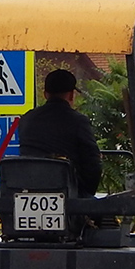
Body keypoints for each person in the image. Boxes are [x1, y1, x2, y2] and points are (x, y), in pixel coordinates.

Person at [18, 69, 102, 197]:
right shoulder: (78, 121)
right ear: (71, 95)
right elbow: (92, 163)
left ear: (45, 94)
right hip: (66, 193)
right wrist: (85, 194)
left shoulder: (26, 119)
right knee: (107, 215)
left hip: (28, 190)